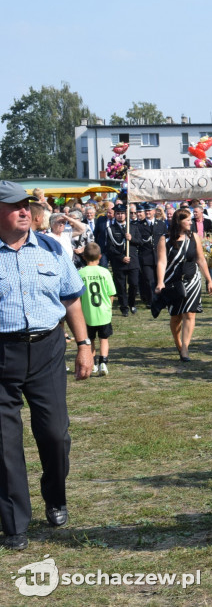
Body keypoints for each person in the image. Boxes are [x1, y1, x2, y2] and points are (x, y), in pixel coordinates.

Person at [0, 181, 92, 551]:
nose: (25, 211)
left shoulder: (52, 248)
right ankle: (14, 522)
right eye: (14, 206)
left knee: (55, 433)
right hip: (3, 353)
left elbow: (71, 299)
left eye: (26, 205)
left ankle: (55, 497)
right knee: (4, 445)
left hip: (47, 349)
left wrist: (84, 345)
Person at [154, 208, 212, 362]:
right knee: (176, 316)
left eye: (190, 219)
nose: (191, 222)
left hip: (192, 279)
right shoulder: (165, 239)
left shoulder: (194, 237)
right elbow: (162, 262)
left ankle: (185, 349)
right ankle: (178, 343)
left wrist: (209, 280)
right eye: (187, 220)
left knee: (190, 314)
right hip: (172, 281)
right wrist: (160, 281)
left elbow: (201, 260)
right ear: (179, 221)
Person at [78, 243, 116, 376]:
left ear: (84, 257)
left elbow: (78, 296)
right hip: (103, 312)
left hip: (87, 313)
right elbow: (111, 293)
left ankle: (93, 364)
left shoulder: (80, 273)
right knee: (104, 339)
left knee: (90, 340)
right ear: (100, 256)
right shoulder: (105, 272)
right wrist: (109, 306)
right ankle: (103, 363)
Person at [105, 204, 140, 316]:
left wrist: (132, 239)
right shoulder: (111, 229)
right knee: (121, 286)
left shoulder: (133, 227)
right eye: (118, 214)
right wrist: (121, 257)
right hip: (119, 262)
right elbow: (110, 247)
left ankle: (132, 304)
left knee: (134, 284)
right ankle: (124, 307)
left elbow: (140, 242)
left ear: (126, 214)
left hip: (133, 260)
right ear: (115, 215)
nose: (120, 216)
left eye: (122, 213)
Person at [135, 202, 165, 306]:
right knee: (149, 279)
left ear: (154, 211)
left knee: (159, 279)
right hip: (146, 256)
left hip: (159, 256)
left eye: (149, 210)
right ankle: (152, 300)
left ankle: (161, 299)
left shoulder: (161, 224)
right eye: (146, 210)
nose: (148, 212)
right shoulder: (139, 225)